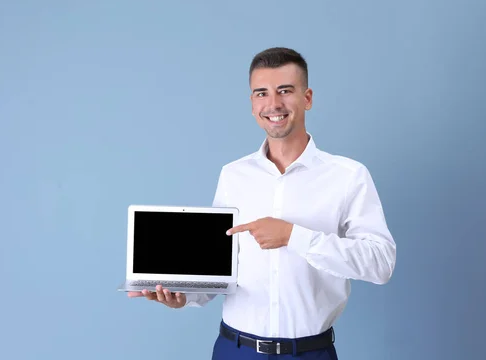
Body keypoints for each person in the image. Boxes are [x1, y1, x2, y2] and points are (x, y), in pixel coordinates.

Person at [129, 47, 397, 359]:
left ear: (307, 98)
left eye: (285, 91)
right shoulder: (233, 175)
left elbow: (381, 264)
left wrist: (293, 236)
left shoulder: (348, 176)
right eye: (261, 93)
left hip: (309, 352)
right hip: (235, 350)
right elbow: (219, 269)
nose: (273, 104)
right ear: (252, 103)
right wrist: (183, 296)